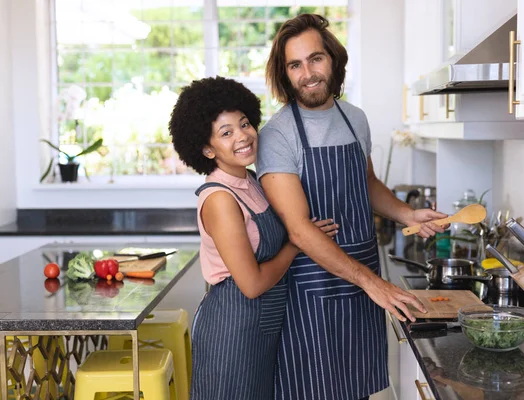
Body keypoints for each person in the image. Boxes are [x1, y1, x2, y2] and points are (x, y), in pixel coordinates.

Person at [257, 14, 448, 400]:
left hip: (361, 292)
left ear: (333, 59)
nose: (307, 73)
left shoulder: (354, 119)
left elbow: (367, 183)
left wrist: (407, 214)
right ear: (285, 73)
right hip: (311, 294)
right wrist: (374, 284)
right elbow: (298, 229)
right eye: (295, 65)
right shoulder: (277, 136)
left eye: (315, 59)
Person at [169, 76, 338, 400]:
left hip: (262, 328)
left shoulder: (251, 181)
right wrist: (297, 243)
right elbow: (252, 284)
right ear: (206, 148)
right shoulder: (220, 198)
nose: (243, 136)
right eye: (226, 132)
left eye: (244, 124)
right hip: (231, 330)